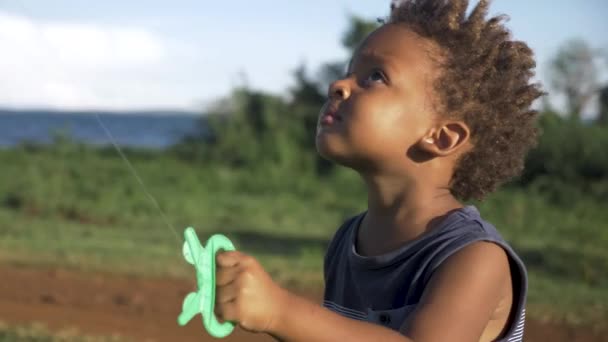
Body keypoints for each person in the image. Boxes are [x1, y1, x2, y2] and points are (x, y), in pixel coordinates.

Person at [214, 0, 543, 341]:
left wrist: (280, 312)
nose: (338, 86)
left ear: (442, 137)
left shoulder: (475, 257)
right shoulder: (348, 240)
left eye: (375, 76)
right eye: (349, 71)